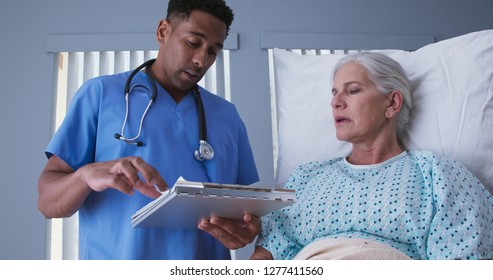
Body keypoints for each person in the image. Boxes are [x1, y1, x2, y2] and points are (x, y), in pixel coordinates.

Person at [38, 0, 261, 260]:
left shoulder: (226, 116)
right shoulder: (100, 95)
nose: (202, 60)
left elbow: (245, 214)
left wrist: (247, 230)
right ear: (163, 31)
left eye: (213, 51)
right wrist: (84, 176)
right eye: (193, 42)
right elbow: (47, 203)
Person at [250, 52, 493, 260]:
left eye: (352, 90)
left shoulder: (439, 175)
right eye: (334, 93)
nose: (336, 102)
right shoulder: (307, 177)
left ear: (392, 103)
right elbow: (267, 255)